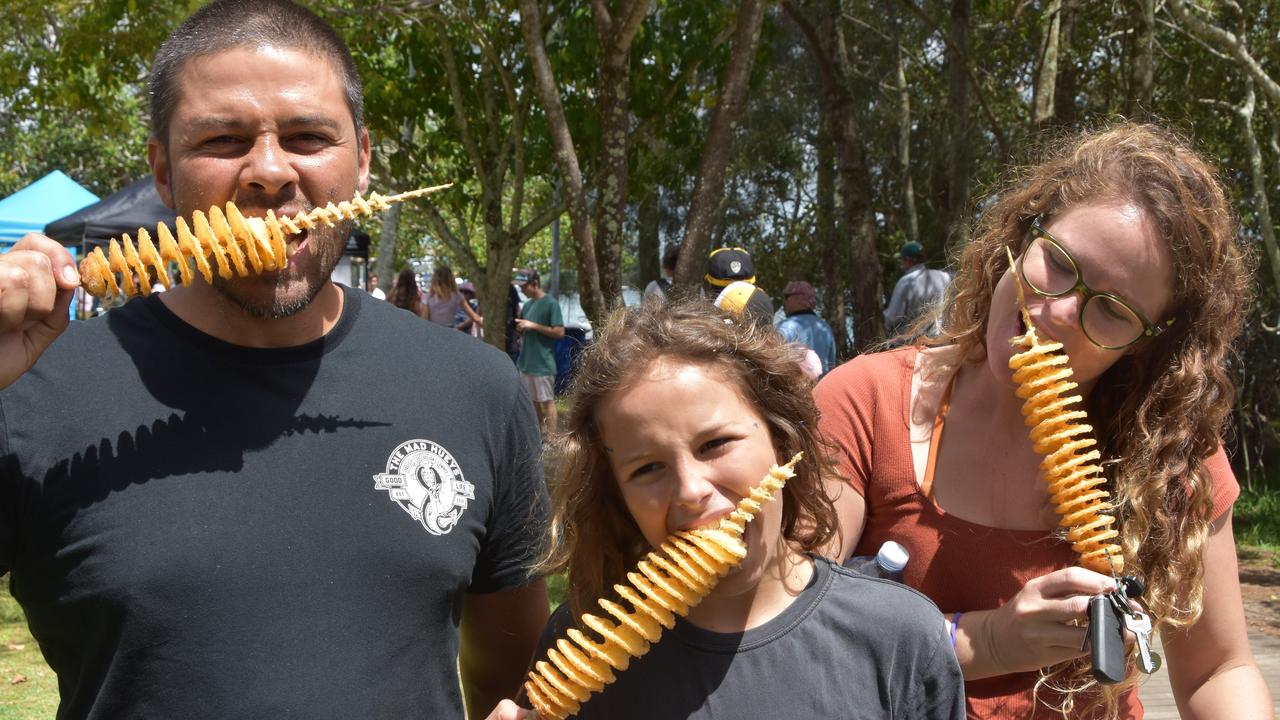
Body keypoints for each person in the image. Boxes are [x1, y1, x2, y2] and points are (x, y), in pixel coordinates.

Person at [0, 2, 549, 718]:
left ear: (362, 162)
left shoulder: (478, 389)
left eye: (308, 136)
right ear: (162, 174)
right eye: (223, 140)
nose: (267, 172)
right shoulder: (32, 394)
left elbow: (510, 675)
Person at [814, 124, 1272, 718]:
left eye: (1111, 310)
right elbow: (800, 627)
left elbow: (1218, 670)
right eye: (1057, 263)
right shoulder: (865, 401)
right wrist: (985, 640)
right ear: (1022, 232)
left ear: (1143, 346)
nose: (1055, 313)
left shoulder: (1171, 452)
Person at [486, 301, 965, 720]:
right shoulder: (580, 642)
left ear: (782, 442)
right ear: (618, 497)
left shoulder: (899, 638)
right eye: (648, 468)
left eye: (715, 444)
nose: (690, 490)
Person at [514, 268, 564, 437]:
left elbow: (559, 332)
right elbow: (524, 327)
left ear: (535, 284)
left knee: (547, 401)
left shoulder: (551, 304)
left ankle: (552, 438)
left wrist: (532, 325)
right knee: (532, 402)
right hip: (526, 362)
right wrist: (521, 328)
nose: (521, 290)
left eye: (524, 287)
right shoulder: (527, 305)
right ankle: (538, 436)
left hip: (543, 363)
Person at [883, 240, 951, 337]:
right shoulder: (944, 277)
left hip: (913, 344)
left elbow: (893, 317)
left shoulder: (906, 282)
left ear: (908, 260)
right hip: (939, 341)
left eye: (902, 259)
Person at [777, 280, 837, 375]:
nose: (784, 302)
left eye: (787, 297)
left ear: (798, 298)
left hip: (794, 388)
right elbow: (831, 365)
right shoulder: (825, 328)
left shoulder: (786, 327)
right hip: (822, 387)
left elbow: (776, 364)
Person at [425, 263, 482, 329]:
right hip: (449, 331)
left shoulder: (429, 297)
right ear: (451, 279)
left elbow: (424, 319)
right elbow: (474, 317)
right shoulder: (457, 296)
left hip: (433, 331)